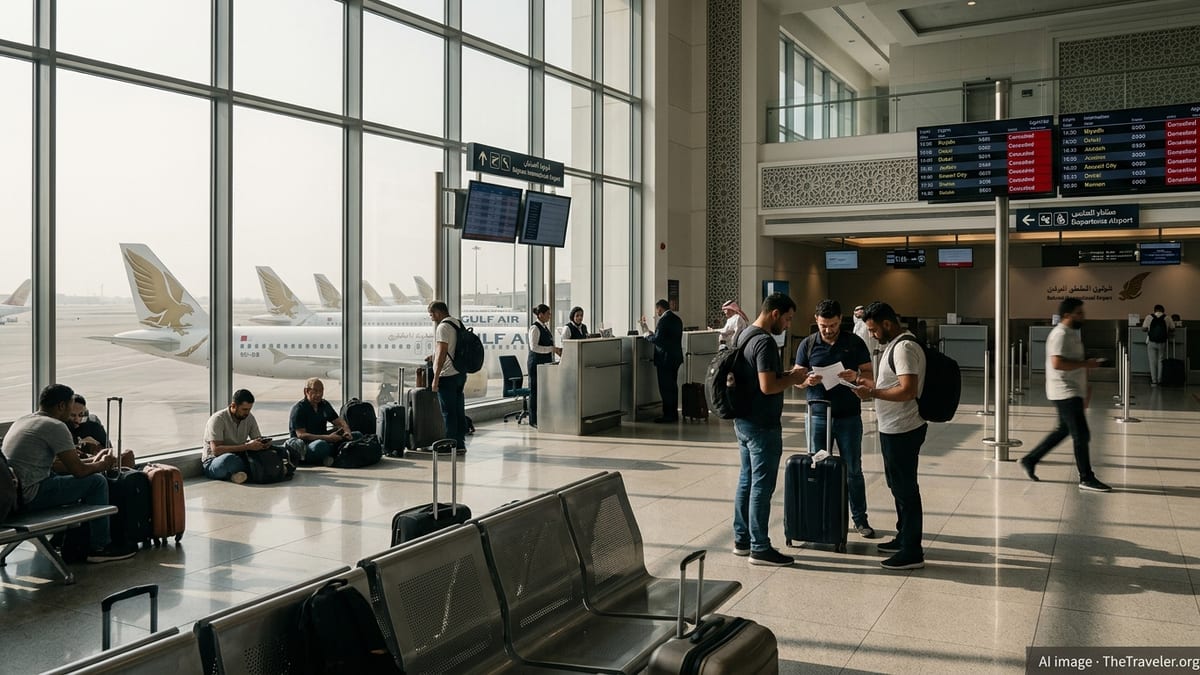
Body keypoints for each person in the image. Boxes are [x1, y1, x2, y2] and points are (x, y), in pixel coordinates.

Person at [4, 384, 135, 562]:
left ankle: (65, 538)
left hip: (13, 494)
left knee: (66, 478)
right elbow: (79, 471)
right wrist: (103, 465)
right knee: (97, 482)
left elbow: (65, 465)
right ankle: (99, 546)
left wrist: (95, 461)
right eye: (70, 405)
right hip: (30, 495)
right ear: (61, 406)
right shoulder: (55, 426)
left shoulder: (24, 420)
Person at [731, 293, 808, 566]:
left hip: (743, 420)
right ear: (775, 313)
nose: (787, 325)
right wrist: (794, 377)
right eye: (787, 318)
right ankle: (759, 547)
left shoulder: (744, 335)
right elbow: (768, 385)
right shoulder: (764, 342)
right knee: (762, 486)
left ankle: (742, 539)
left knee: (747, 480)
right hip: (762, 424)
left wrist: (785, 375)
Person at [854, 301, 927, 570]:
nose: (872, 335)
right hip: (892, 426)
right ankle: (903, 536)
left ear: (887, 323)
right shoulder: (893, 346)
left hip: (903, 428)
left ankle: (912, 551)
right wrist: (862, 381)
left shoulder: (905, 347)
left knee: (906, 489)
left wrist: (871, 393)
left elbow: (908, 390)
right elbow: (889, 385)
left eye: (873, 329)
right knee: (897, 486)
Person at [794, 299, 876, 538]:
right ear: (816, 322)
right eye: (823, 326)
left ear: (841, 319)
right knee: (817, 467)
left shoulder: (855, 342)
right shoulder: (808, 345)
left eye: (832, 325)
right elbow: (796, 379)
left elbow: (871, 377)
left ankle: (860, 519)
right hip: (817, 415)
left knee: (853, 470)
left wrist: (857, 376)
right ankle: (819, 517)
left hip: (848, 416)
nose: (828, 330)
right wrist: (806, 381)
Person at [1020, 298, 1111, 493]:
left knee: (1064, 430)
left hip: (1072, 390)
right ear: (1067, 315)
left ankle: (1030, 459)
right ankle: (1086, 477)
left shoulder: (1072, 334)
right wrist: (1086, 365)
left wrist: (1085, 385)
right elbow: (1057, 363)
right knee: (1081, 434)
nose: (1082, 316)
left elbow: (1075, 362)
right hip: (1064, 391)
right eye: (1079, 312)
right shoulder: (1059, 334)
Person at [202, 389, 276, 483]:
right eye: (244, 409)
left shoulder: (249, 417)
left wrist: (263, 444)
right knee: (229, 460)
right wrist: (247, 446)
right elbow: (216, 450)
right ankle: (256, 471)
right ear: (233, 406)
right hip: (215, 461)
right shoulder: (218, 419)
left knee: (275, 451)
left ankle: (239, 474)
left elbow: (256, 438)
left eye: (249, 409)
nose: (247, 413)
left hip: (241, 455)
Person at [286, 378, 360, 465]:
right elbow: (302, 435)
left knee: (357, 435)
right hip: (307, 446)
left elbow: (339, 421)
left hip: (326, 439)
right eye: (315, 391)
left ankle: (332, 456)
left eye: (321, 391)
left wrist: (347, 431)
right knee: (321, 446)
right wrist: (328, 438)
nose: (319, 394)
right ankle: (337, 454)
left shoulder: (324, 405)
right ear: (306, 391)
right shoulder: (299, 409)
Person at [428, 301, 468, 452]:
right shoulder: (457, 323)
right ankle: (460, 443)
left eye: (431, 315)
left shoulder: (443, 327)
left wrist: (436, 377)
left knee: (448, 411)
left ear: (438, 312)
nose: (431, 318)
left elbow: (442, 352)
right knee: (458, 409)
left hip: (447, 375)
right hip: (460, 373)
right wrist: (432, 356)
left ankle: (450, 444)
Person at [640, 299, 684, 423]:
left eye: (657, 310)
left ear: (659, 308)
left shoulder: (663, 321)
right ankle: (673, 413)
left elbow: (659, 340)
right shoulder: (677, 319)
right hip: (675, 358)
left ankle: (668, 415)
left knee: (665, 388)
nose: (656, 312)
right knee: (672, 387)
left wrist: (648, 336)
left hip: (665, 359)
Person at [67, 394, 135, 469]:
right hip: (82, 466)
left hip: (96, 463)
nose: (77, 419)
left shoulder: (92, 426)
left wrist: (96, 446)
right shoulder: (61, 430)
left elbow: (109, 450)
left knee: (128, 455)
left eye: (80, 415)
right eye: (72, 415)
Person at [527, 304, 563, 427]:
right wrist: (552, 349)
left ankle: (543, 417)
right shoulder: (535, 328)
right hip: (536, 362)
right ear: (540, 315)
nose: (550, 316)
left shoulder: (545, 328)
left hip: (544, 362)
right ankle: (533, 420)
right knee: (535, 390)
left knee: (543, 390)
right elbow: (534, 347)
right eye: (548, 313)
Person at [1142, 304, 1175, 386]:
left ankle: (1154, 381)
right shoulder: (1167, 317)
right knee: (1160, 360)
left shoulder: (1149, 317)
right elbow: (1173, 328)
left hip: (1151, 342)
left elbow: (1143, 328)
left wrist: (1149, 329)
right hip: (1162, 342)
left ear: (1155, 310)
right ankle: (1160, 380)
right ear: (1163, 310)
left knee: (1152, 361)